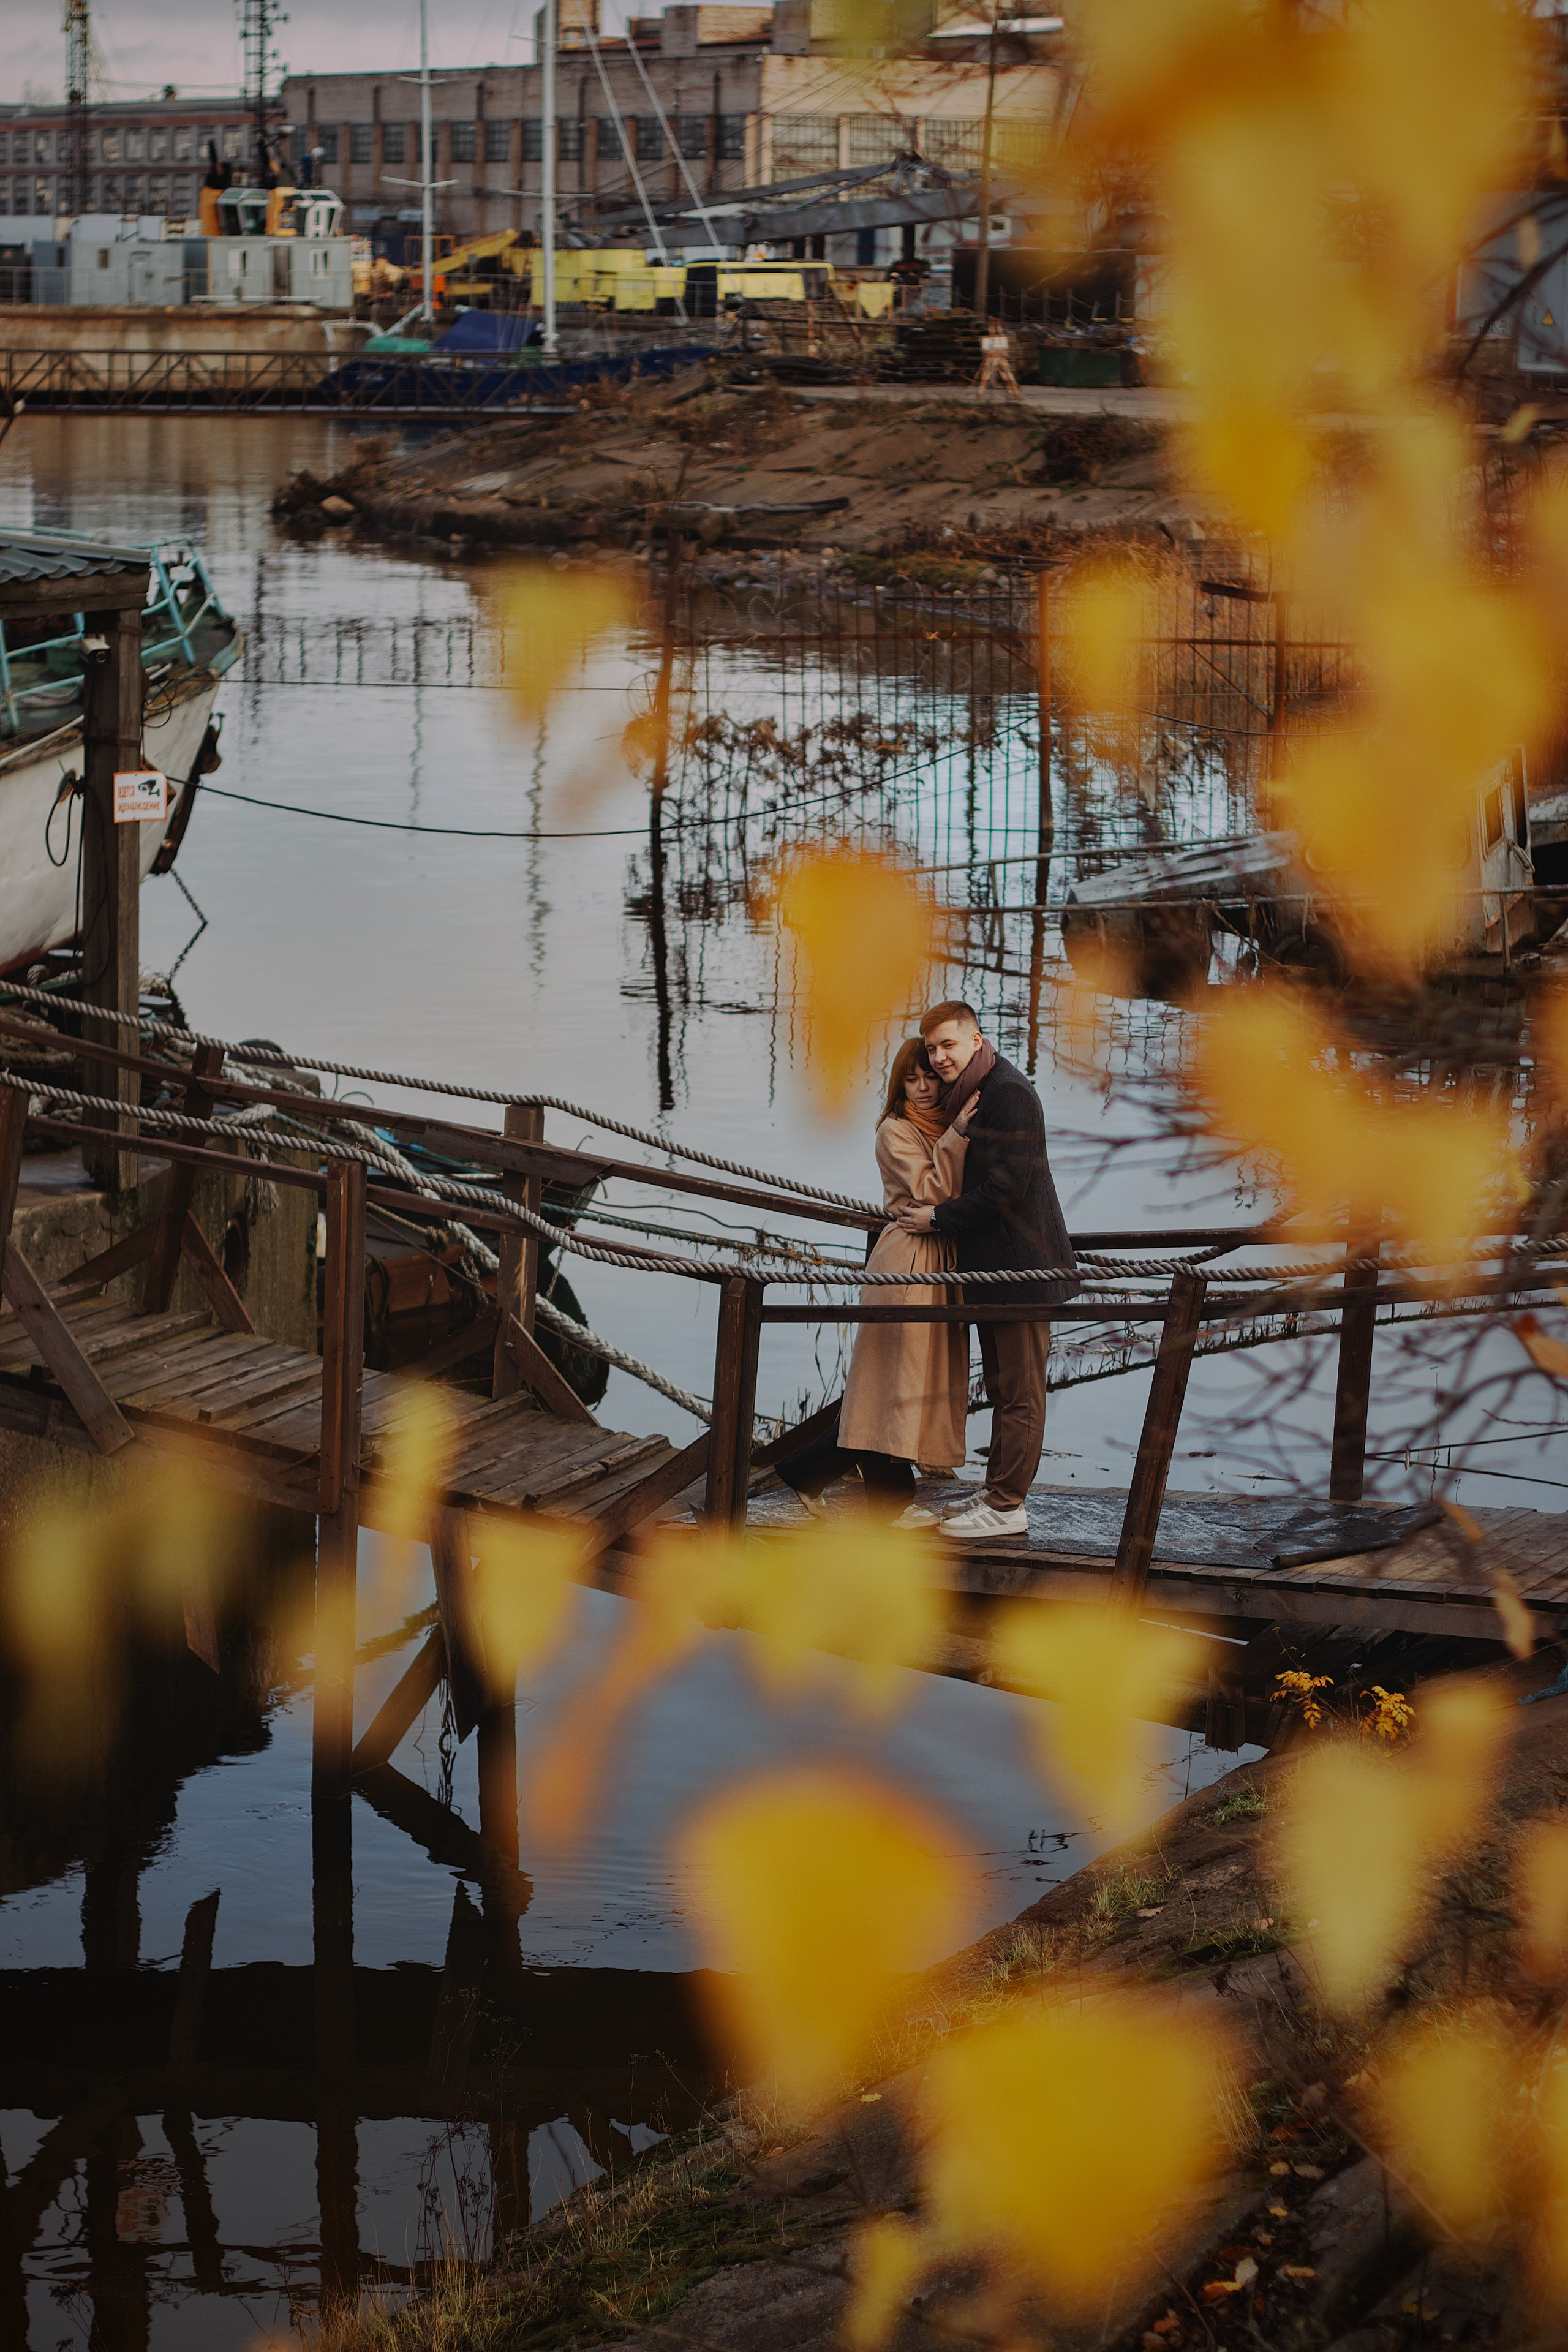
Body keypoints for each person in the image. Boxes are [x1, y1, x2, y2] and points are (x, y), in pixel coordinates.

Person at [895, 1000, 1080, 1540]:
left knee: (1022, 1391)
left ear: (977, 1039)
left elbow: (1008, 1189)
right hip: (993, 1270)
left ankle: (1007, 1506)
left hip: (1022, 1271)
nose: (939, 1057)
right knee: (1002, 1386)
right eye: (931, 1049)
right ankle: (998, 1488)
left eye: (949, 1045)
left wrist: (937, 1219)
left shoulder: (1009, 1095)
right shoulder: (973, 1094)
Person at [777, 1037, 978, 1525]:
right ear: (899, 1084)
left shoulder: (939, 1125)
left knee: (903, 1383)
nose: (924, 1087)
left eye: (930, 1076)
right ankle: (886, 1497)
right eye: (912, 1079)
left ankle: (810, 1473)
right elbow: (933, 1190)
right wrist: (957, 1133)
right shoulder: (895, 1130)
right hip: (908, 1262)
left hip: (938, 1263)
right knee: (892, 1382)